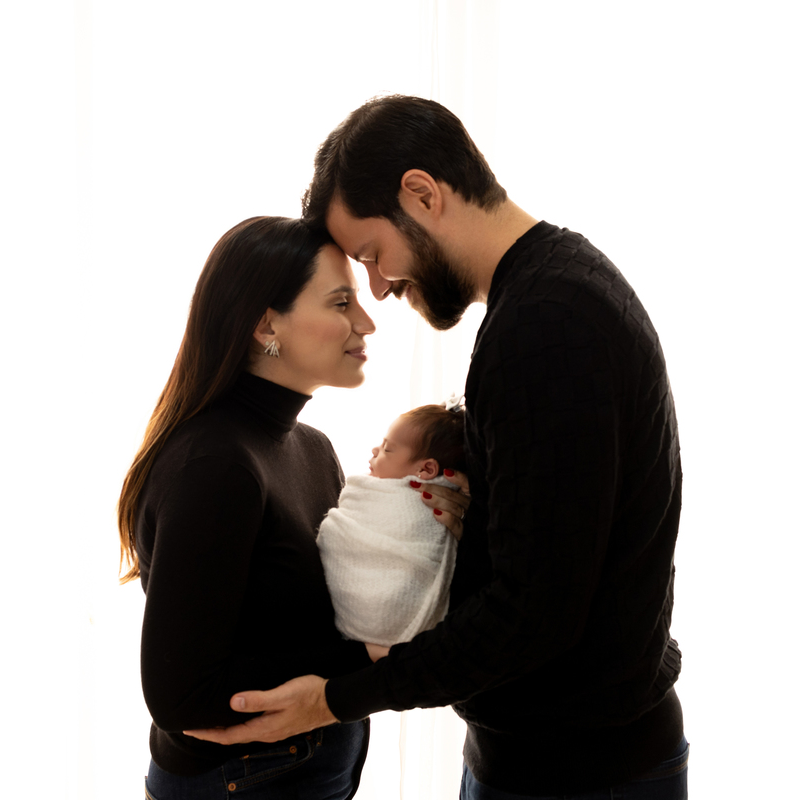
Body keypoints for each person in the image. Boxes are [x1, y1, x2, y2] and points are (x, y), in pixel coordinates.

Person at [186, 97, 688, 799]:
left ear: (422, 194)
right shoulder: (560, 289)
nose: (381, 288)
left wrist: (335, 699)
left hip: (576, 774)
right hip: (555, 758)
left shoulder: (544, 325)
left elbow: (532, 616)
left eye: (372, 256)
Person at [116, 216, 461, 799]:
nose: (367, 321)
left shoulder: (313, 449)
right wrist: (367, 660)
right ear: (265, 324)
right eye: (341, 302)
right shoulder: (217, 467)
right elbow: (181, 696)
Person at [318, 403, 466, 646]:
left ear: (426, 469)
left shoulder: (440, 503)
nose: (375, 449)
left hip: (388, 618)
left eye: (387, 449)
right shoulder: (373, 494)